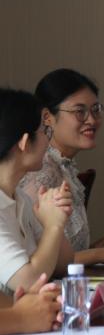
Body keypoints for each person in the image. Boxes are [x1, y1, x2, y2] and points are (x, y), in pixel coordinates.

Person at [18, 69, 104, 266]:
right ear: (47, 117)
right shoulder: (40, 171)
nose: (91, 120)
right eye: (80, 111)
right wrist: (100, 255)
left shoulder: (63, 166)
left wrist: (95, 248)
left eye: (95, 109)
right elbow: (35, 263)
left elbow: (62, 253)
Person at [0, 88, 74, 296]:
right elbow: (29, 282)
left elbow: (64, 263)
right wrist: (53, 225)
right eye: (44, 131)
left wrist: (57, 215)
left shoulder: (20, 198)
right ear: (24, 142)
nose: (48, 141)